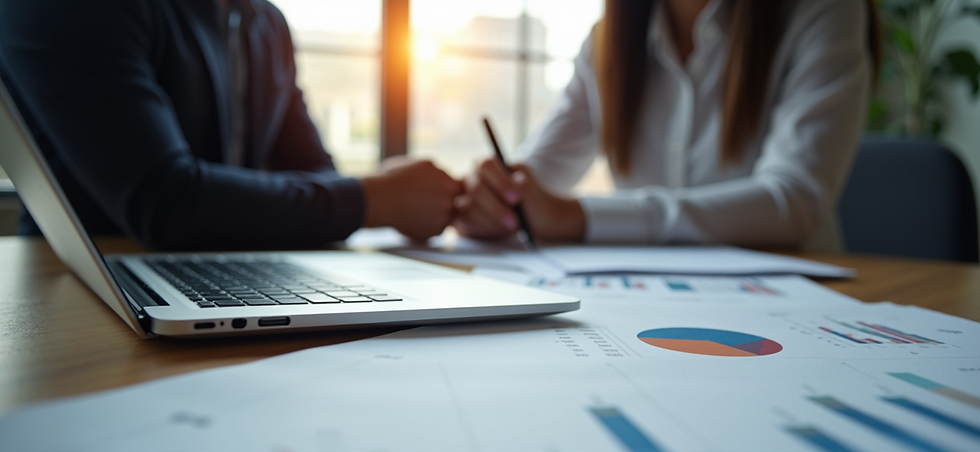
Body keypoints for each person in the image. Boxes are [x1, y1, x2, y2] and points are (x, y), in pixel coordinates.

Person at [0, 0, 462, 250]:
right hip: (88, 291)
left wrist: (370, 198)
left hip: (230, 272)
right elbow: (165, 201)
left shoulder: (265, 22)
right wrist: (375, 199)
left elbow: (318, 174)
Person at [454, 0, 881, 246]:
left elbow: (794, 198)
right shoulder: (608, 41)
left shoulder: (822, 10)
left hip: (797, 305)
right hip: (644, 308)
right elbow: (531, 180)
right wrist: (496, 195)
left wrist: (579, 218)